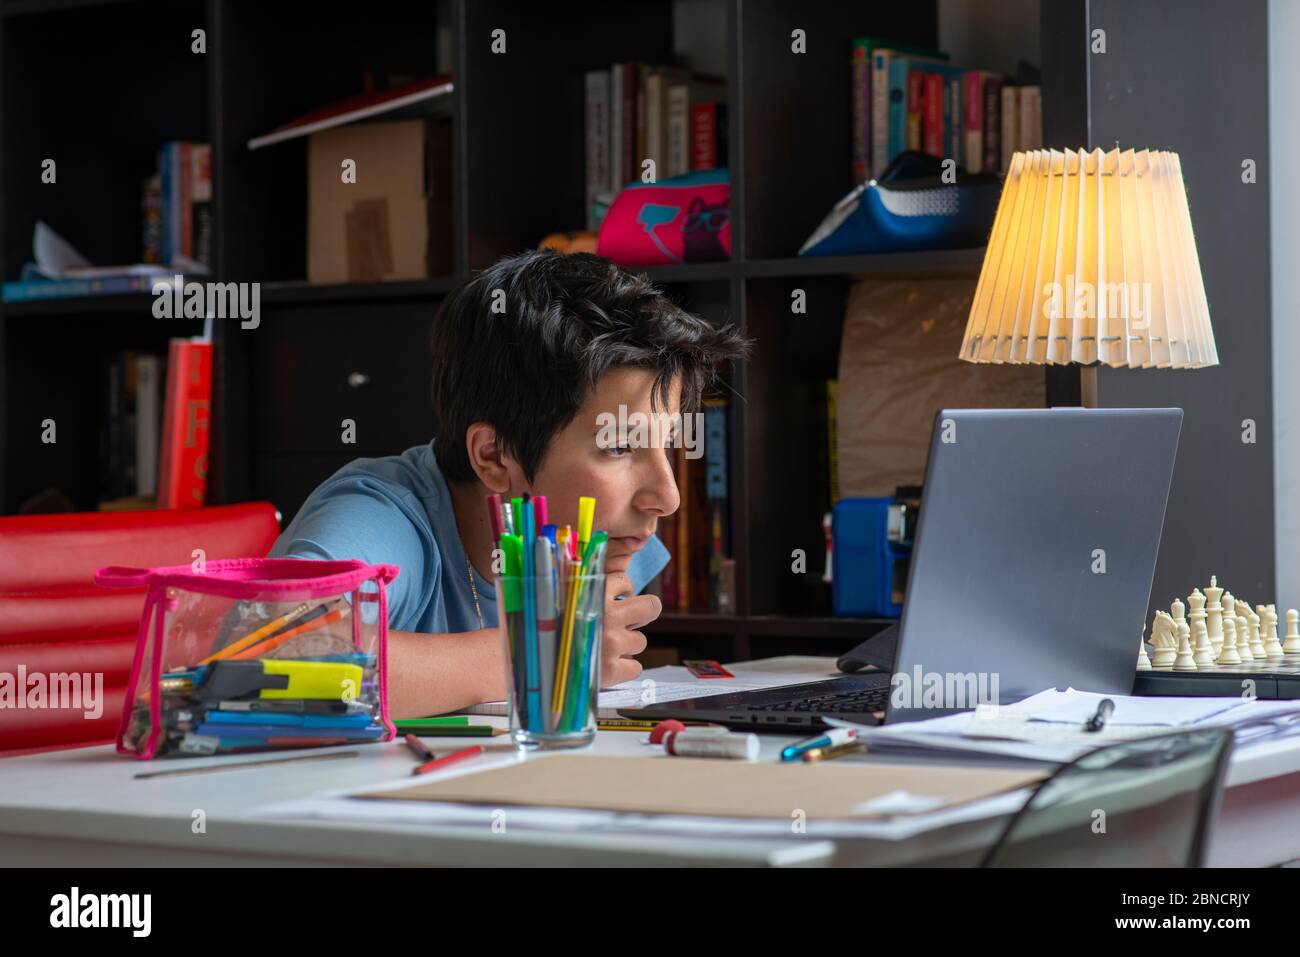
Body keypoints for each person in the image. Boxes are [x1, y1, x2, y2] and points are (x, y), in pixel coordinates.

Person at [269, 250, 748, 717]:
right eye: (620, 447)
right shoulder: (379, 517)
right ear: (494, 457)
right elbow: (278, 653)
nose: (668, 498)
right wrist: (542, 654)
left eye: (667, 446)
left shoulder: (597, 534)